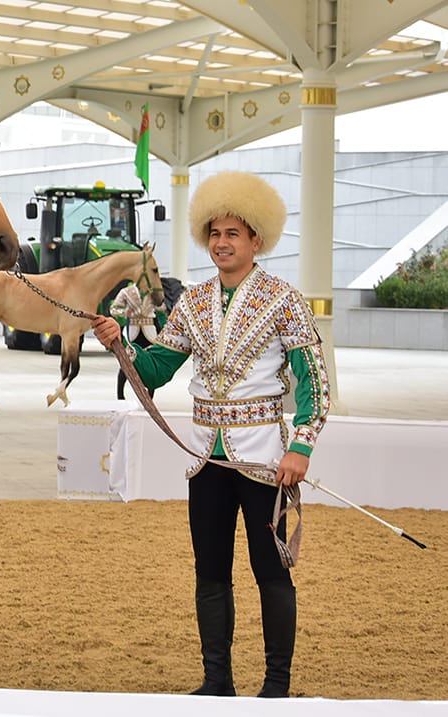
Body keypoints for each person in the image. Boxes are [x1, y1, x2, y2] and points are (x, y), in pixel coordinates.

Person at [91, 171, 331, 699]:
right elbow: (155, 369)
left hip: (267, 459)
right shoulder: (195, 302)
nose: (222, 243)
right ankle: (217, 681)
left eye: (233, 235)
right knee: (210, 574)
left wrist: (301, 446)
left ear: (256, 241)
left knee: (271, 572)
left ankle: (276, 686)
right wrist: (121, 344)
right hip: (206, 460)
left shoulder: (285, 300)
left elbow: (315, 380)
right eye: (215, 234)